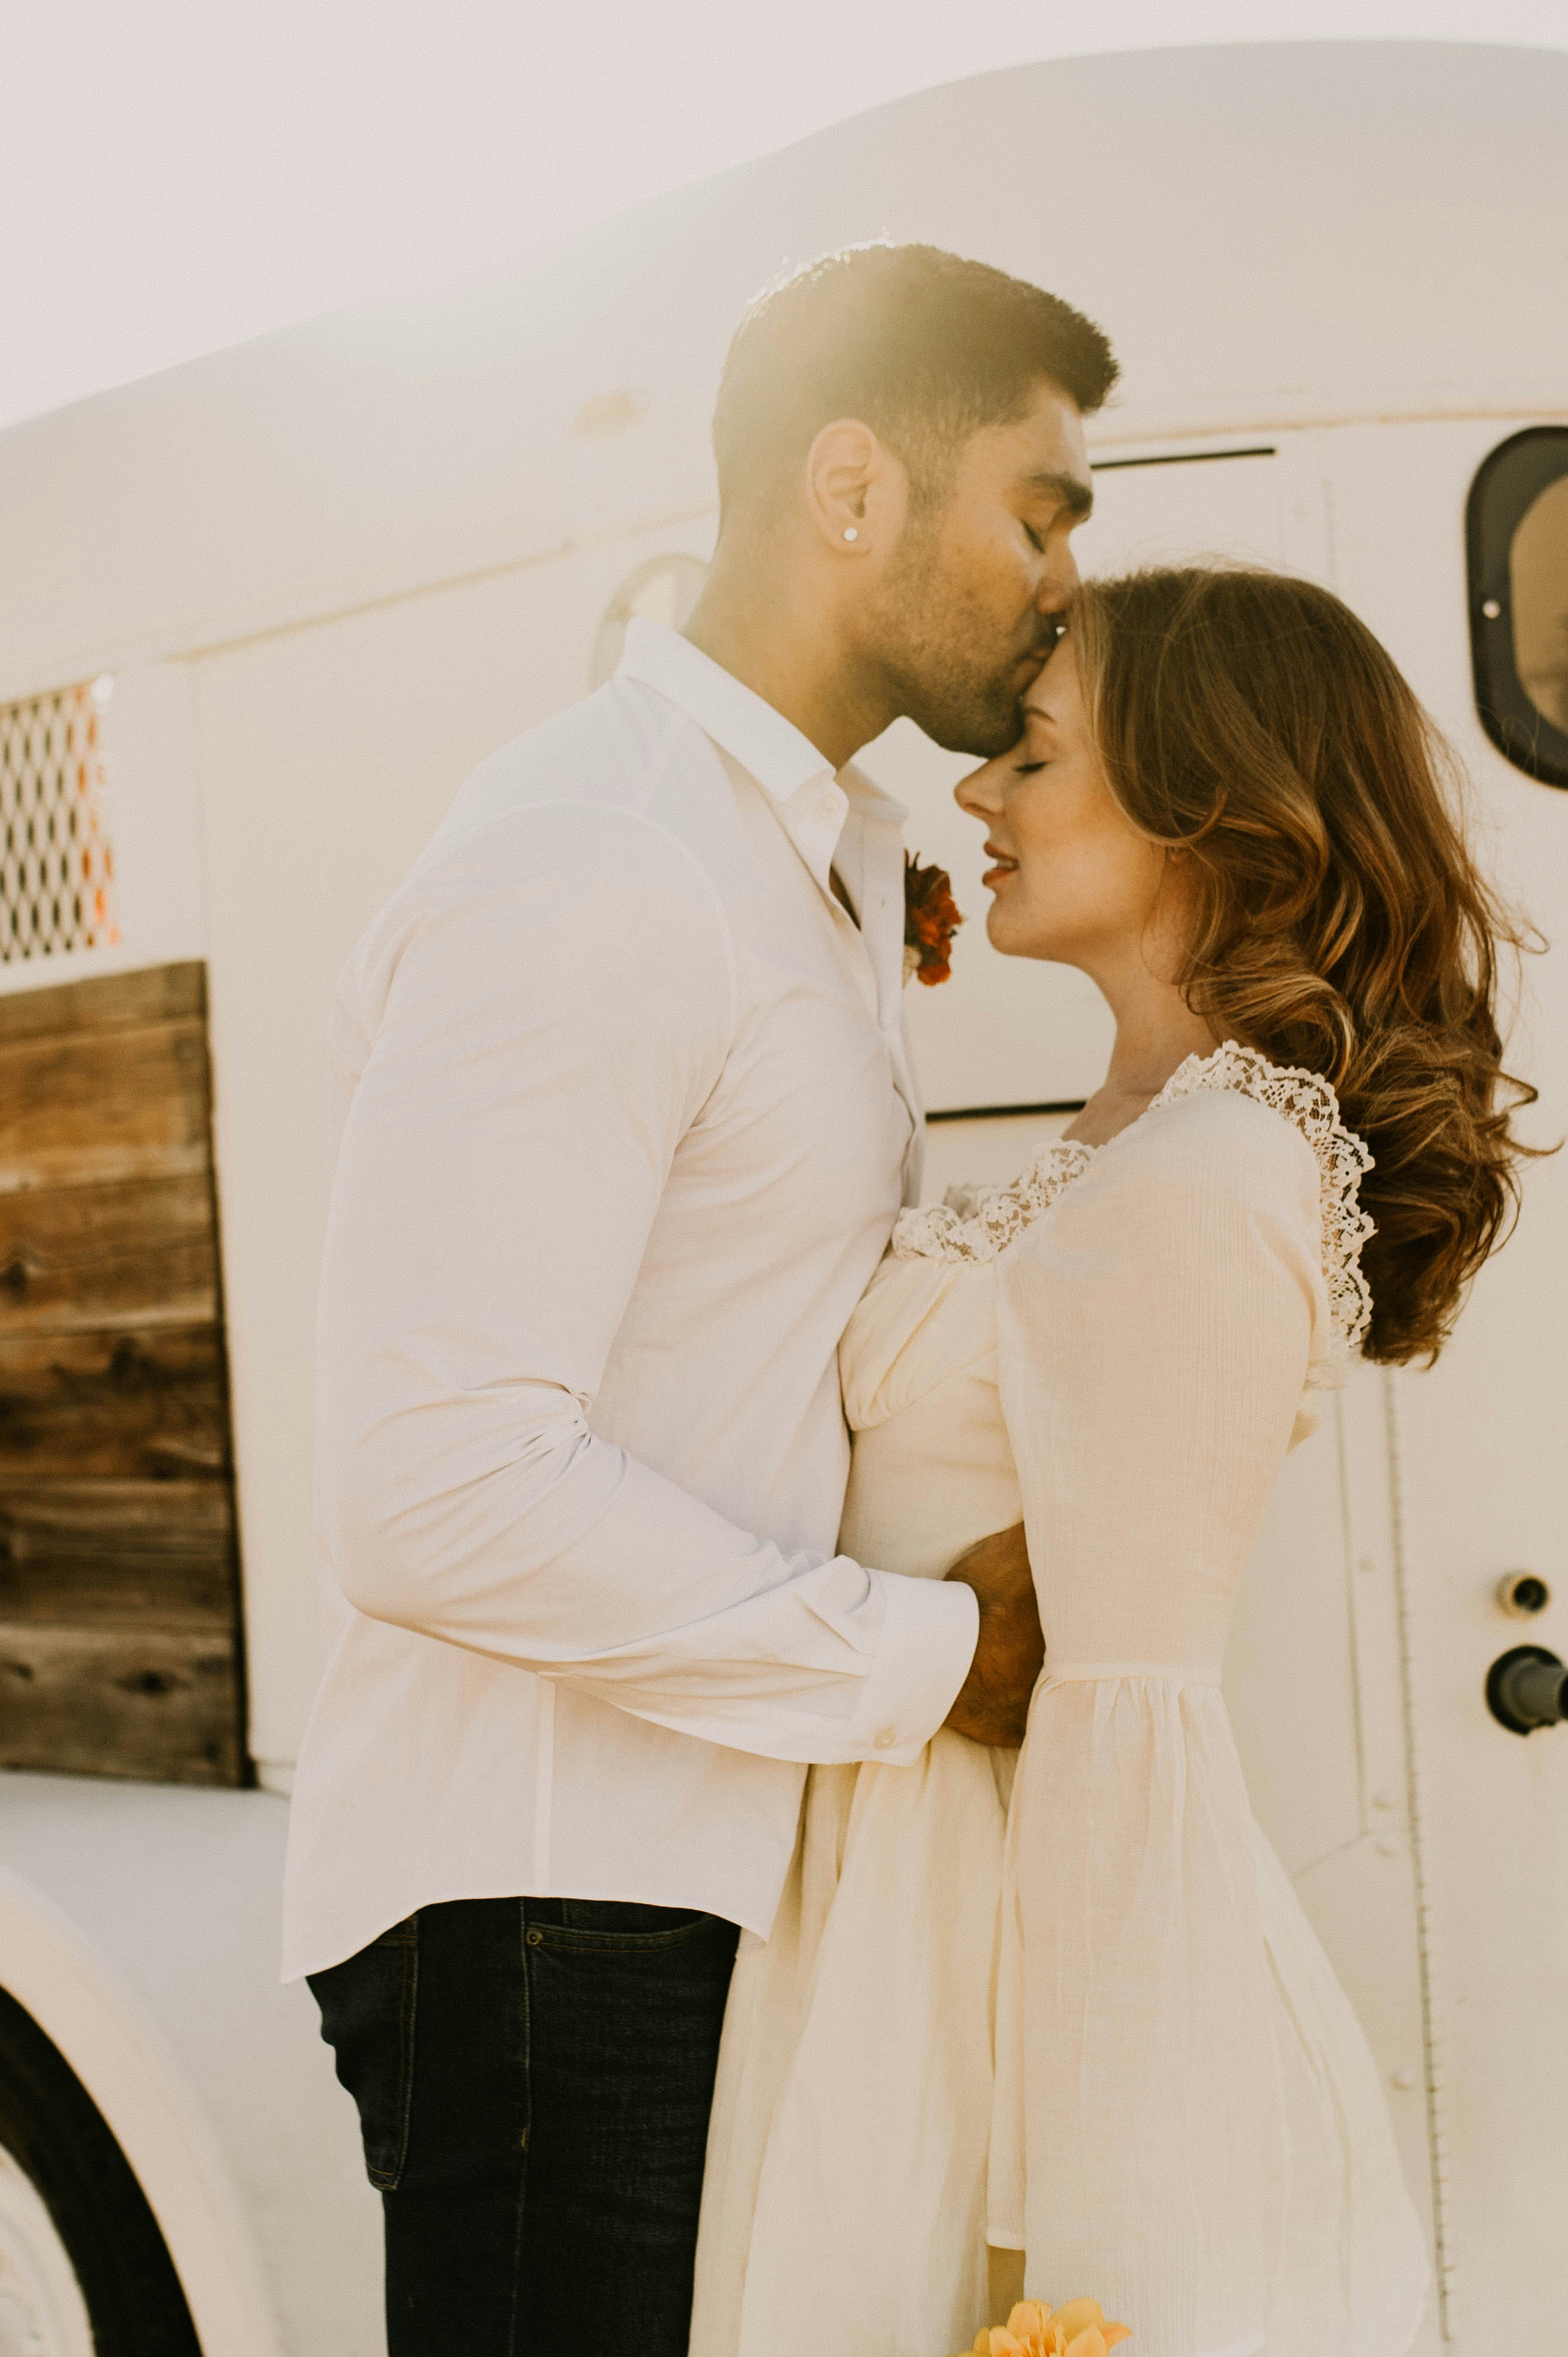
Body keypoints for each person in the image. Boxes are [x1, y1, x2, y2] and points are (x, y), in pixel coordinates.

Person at [281, 242, 1118, 2351]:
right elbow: (433, 1478)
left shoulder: (807, 862)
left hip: (687, 1883)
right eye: (1039, 510)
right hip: (560, 1905)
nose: (1060, 585)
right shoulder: (602, 855)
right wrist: (929, 1659)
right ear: (853, 492)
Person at [691, 566, 1538, 2357]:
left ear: (1211, 814)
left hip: (998, 1960)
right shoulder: (1126, 1141)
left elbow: (1126, 1713)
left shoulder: (1213, 1174)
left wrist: (1096, 2242)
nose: (979, 796)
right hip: (897, 1918)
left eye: (1034, 756)